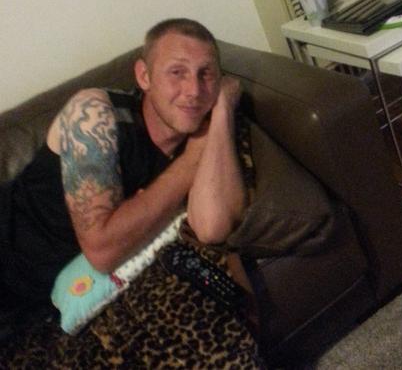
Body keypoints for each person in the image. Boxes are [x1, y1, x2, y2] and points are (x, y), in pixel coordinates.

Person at [0, 18, 247, 339]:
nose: (194, 91)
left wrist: (223, 110)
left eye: (206, 74)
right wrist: (192, 160)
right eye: (177, 72)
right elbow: (102, 250)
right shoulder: (94, 114)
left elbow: (213, 227)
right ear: (144, 76)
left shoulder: (202, 134)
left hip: (35, 307)